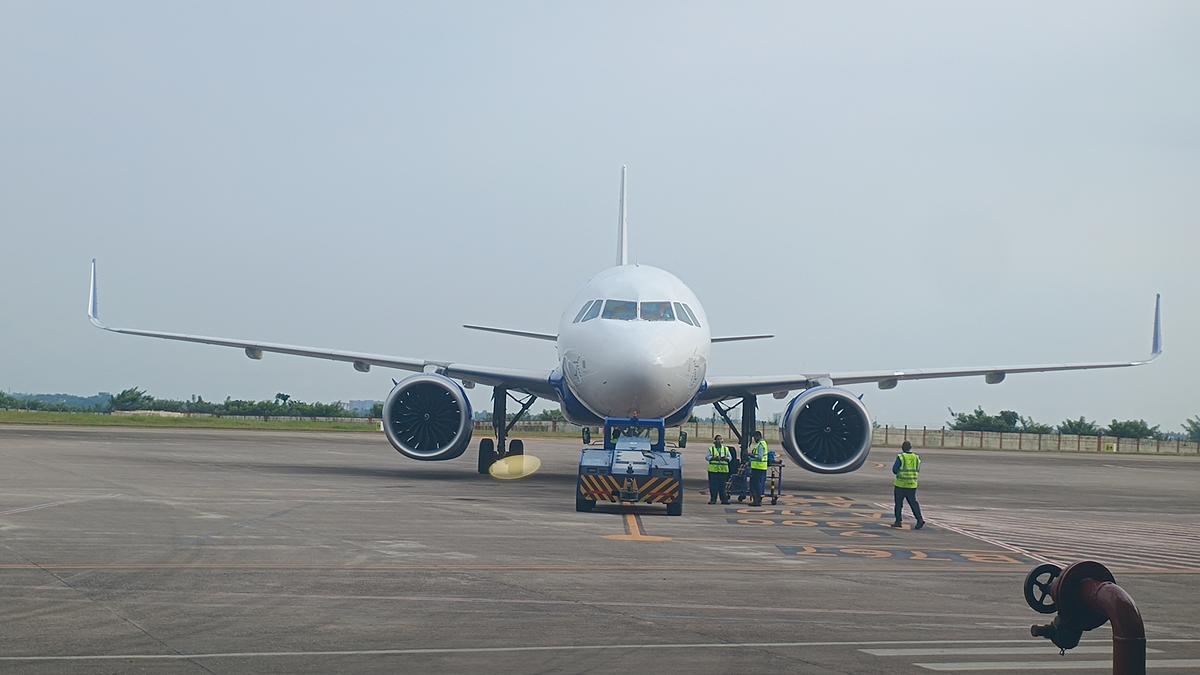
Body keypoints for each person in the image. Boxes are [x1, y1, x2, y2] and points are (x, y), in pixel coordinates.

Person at [891, 441, 925, 529]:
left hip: (901, 484)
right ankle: (919, 519)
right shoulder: (916, 457)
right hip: (912, 485)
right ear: (910, 447)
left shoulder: (901, 457)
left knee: (898, 504)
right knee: (913, 503)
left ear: (902, 448)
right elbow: (917, 469)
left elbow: (895, 470)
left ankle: (898, 521)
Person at [706, 435, 732, 504]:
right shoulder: (711, 449)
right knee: (713, 486)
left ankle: (724, 500)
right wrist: (714, 458)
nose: (719, 441)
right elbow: (707, 457)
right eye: (718, 439)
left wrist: (725, 459)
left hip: (723, 471)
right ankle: (713, 499)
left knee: (722, 486)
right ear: (714, 441)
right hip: (713, 471)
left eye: (720, 439)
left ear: (722, 441)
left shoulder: (726, 449)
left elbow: (730, 458)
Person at [748, 431, 769, 507]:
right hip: (759, 467)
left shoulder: (760, 445)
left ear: (758, 436)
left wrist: (751, 456)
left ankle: (757, 500)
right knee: (758, 484)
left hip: (758, 468)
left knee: (756, 485)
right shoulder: (762, 444)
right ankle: (757, 500)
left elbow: (760, 457)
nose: (754, 439)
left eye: (754, 437)